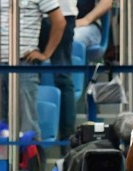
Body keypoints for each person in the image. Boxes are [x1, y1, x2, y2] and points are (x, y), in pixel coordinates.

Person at [0, 0, 66, 137]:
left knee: (27, 121)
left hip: (24, 62)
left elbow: (60, 22)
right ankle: (1, 158)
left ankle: (29, 157)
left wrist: (46, 54)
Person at [39, 0, 78, 145]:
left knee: (63, 77)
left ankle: (68, 141)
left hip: (63, 13)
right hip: (30, 14)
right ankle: (33, 143)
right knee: (28, 79)